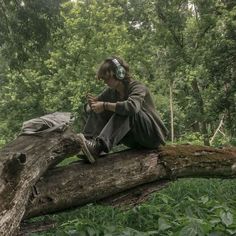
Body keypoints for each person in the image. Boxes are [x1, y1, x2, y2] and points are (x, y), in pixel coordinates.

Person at [77, 56, 168, 163]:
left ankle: (99, 146)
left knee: (127, 109)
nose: (105, 81)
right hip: (134, 139)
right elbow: (94, 107)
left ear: (119, 73)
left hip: (151, 137)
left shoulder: (138, 87)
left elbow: (132, 107)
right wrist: (91, 105)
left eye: (107, 78)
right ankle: (89, 144)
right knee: (104, 108)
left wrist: (105, 105)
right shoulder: (111, 91)